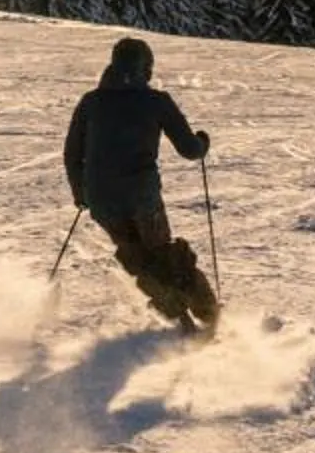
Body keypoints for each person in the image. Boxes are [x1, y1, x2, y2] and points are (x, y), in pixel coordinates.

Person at [63, 37, 218, 332]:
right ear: (145, 68)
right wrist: (202, 143)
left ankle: (180, 317)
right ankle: (208, 313)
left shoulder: (91, 102)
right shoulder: (156, 102)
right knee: (164, 253)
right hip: (142, 198)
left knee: (138, 257)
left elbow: (72, 154)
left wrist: (80, 193)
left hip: (102, 200)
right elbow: (189, 150)